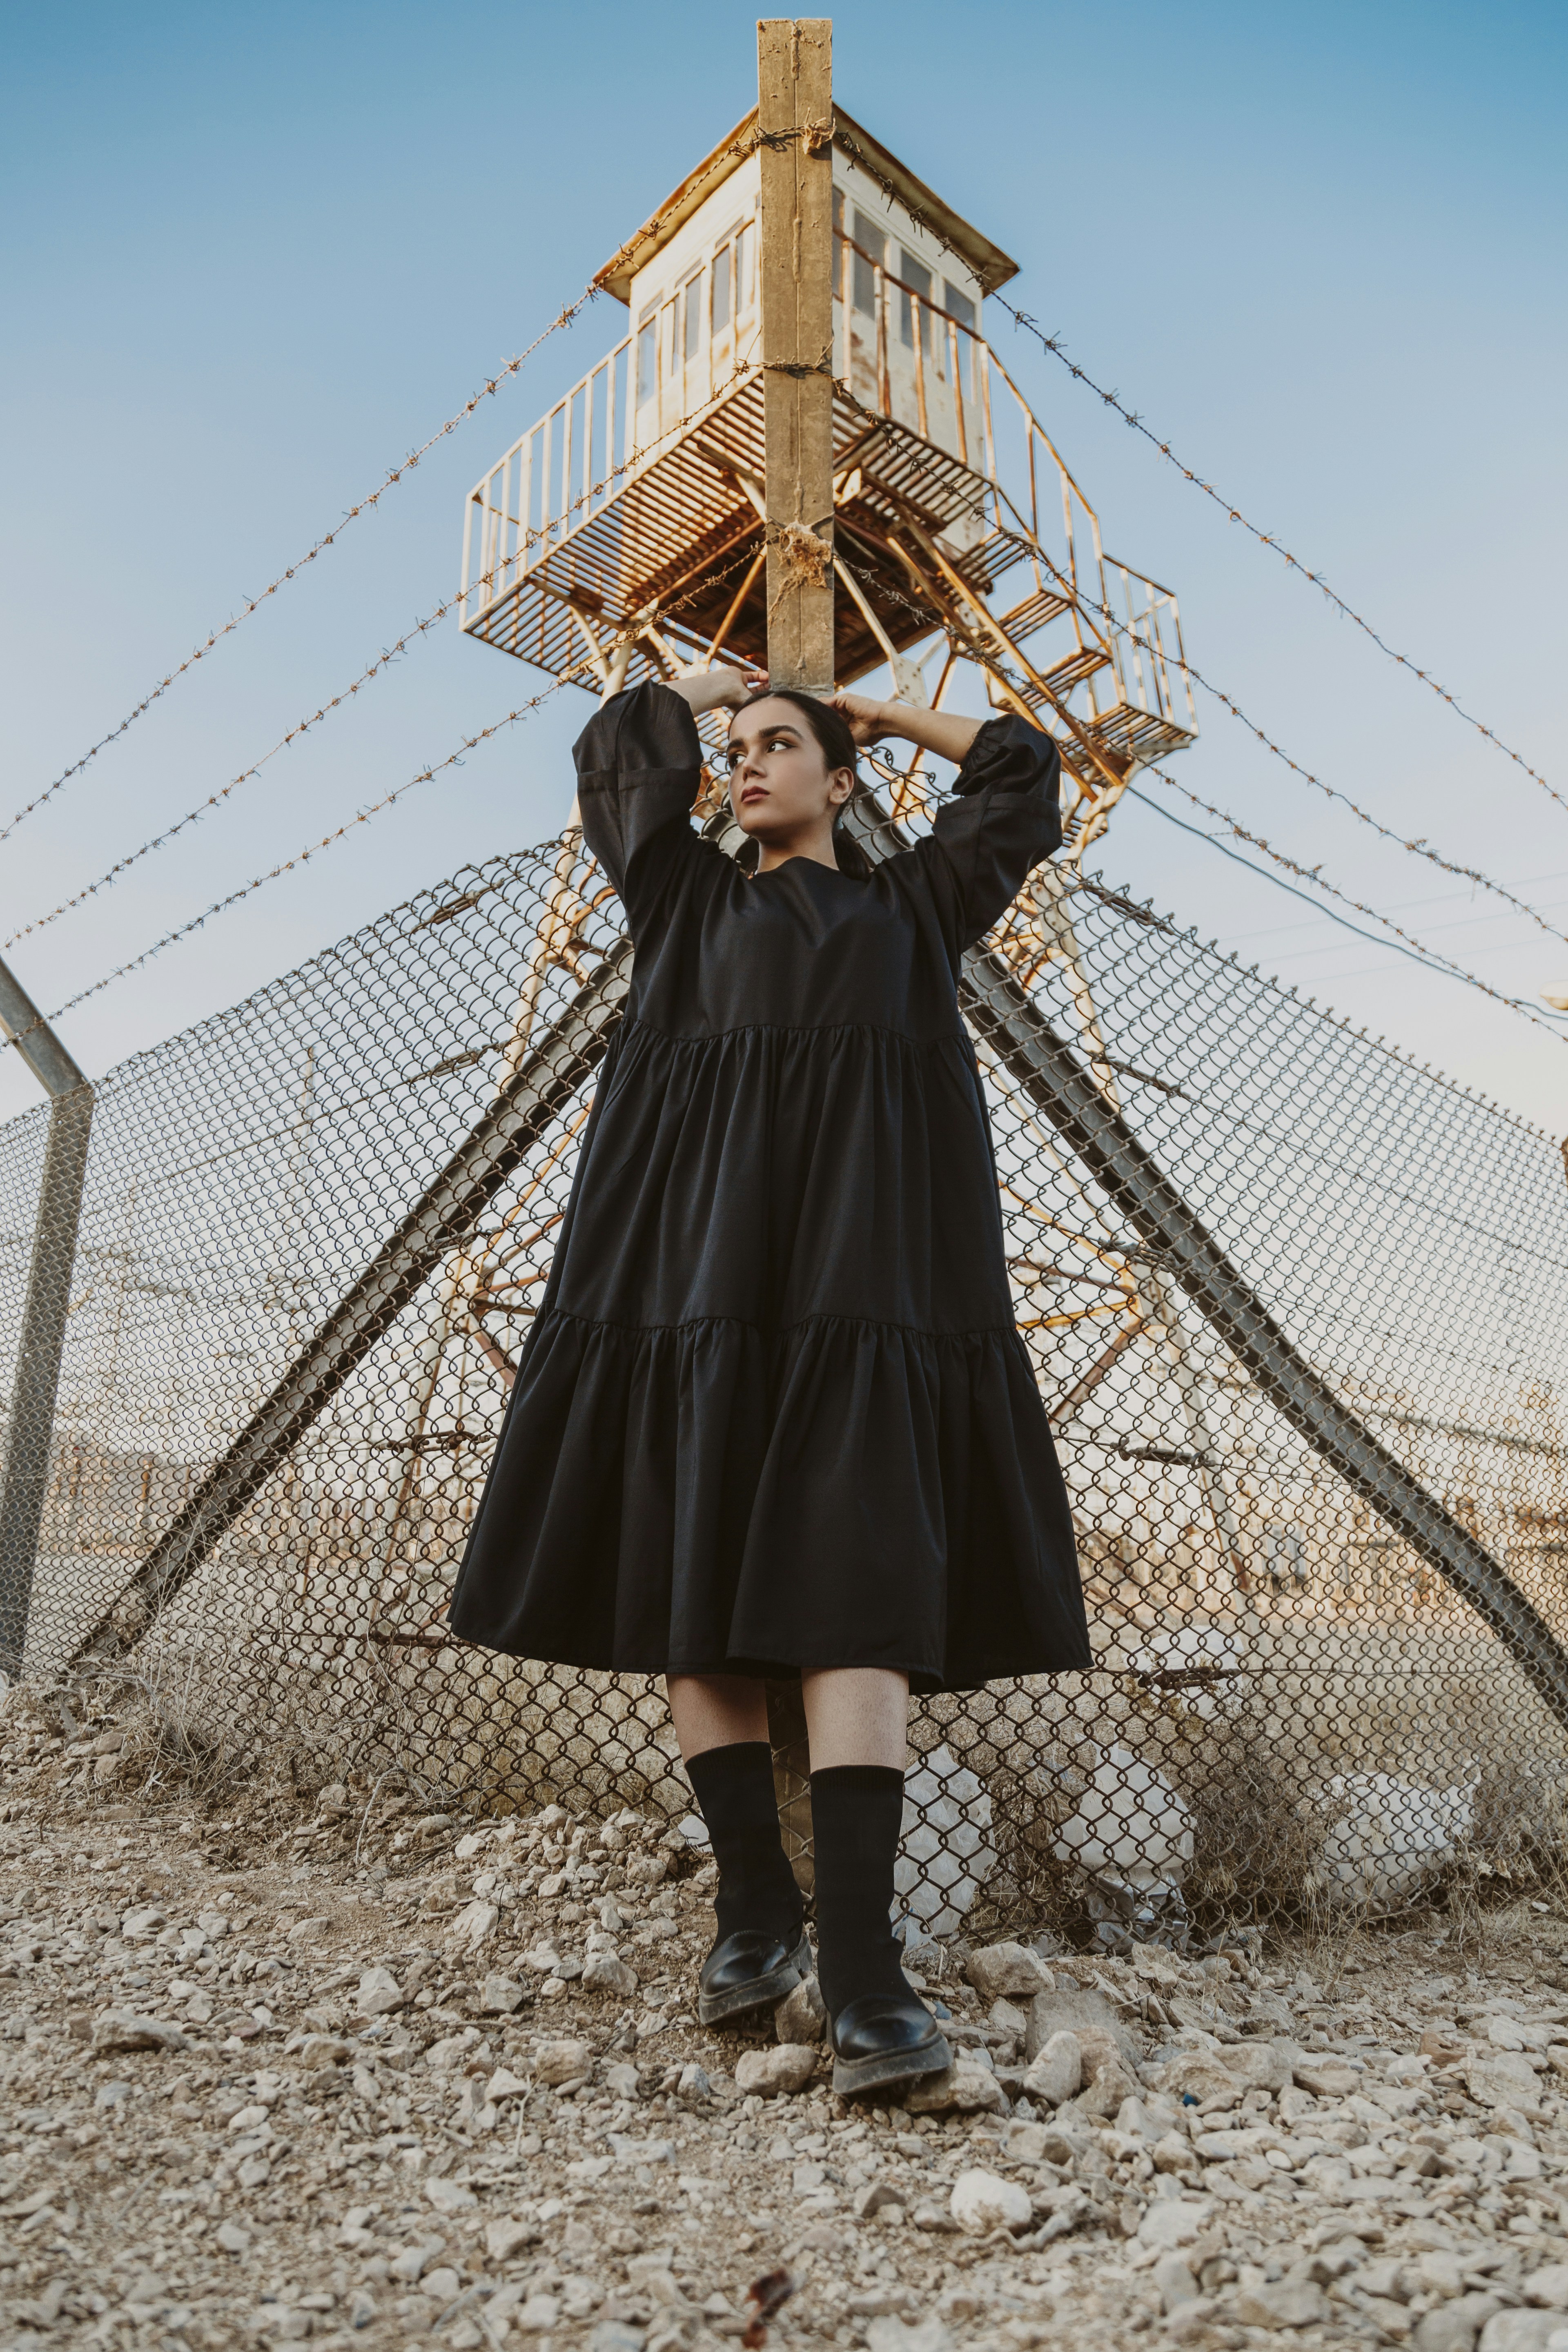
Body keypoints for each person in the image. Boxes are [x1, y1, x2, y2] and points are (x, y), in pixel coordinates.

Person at [450, 666, 1090, 2097]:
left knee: (858, 1588)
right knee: (700, 1592)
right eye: (735, 753)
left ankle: (866, 1971)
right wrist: (713, 686)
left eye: (778, 747)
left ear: (844, 781)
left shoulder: (914, 909)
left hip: (866, 1296)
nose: (746, 765)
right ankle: (754, 1910)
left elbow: (1022, 773)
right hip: (692, 1290)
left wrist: (863, 710)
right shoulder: (683, 901)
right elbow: (620, 759)